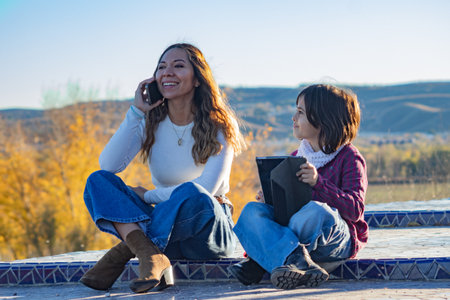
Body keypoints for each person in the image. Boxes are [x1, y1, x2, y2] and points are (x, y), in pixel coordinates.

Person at [80, 43, 245, 293]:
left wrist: (147, 195)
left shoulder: (220, 123)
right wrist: (136, 112)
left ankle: (130, 251)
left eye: (178, 66)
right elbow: (109, 165)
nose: (167, 72)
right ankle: (151, 254)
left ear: (198, 79)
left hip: (207, 228)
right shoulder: (151, 121)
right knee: (98, 182)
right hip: (169, 231)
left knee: (195, 195)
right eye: (161, 67)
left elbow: (206, 189)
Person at [229, 84, 368, 289]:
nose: (293, 118)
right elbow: (287, 212)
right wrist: (271, 199)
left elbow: (355, 210)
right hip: (299, 238)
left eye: (301, 112)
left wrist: (318, 183)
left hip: (334, 240)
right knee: (252, 210)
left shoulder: (349, 156)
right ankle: (296, 262)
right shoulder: (294, 158)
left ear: (324, 119)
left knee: (315, 211)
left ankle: (263, 263)